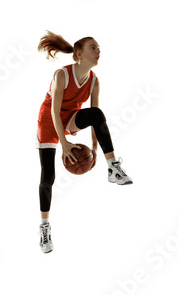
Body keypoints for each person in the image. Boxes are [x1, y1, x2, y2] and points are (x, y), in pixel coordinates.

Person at [35, 31, 133, 253]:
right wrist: (64, 144)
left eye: (98, 48)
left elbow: (94, 117)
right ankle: (44, 228)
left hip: (70, 118)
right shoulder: (62, 75)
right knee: (48, 176)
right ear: (79, 54)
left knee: (97, 113)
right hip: (49, 121)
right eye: (93, 48)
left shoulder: (94, 81)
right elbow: (53, 110)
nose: (98, 51)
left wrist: (96, 149)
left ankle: (113, 168)